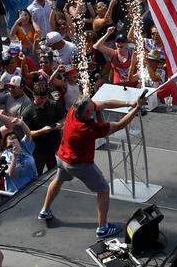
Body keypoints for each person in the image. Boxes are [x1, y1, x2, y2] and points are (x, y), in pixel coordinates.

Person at [37, 92, 147, 238]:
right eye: (90, 109)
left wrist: (129, 103)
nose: (93, 109)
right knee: (103, 190)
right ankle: (103, 228)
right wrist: (137, 108)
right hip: (79, 165)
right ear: (85, 112)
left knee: (58, 179)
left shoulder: (73, 110)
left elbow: (104, 104)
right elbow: (120, 125)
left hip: (62, 157)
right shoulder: (87, 129)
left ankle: (44, 211)